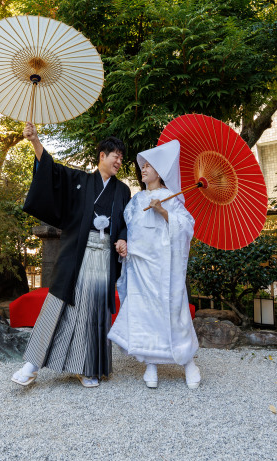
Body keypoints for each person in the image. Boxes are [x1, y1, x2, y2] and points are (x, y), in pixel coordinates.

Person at [11, 122, 131, 388]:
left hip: (103, 259)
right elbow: (52, 173)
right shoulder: (80, 181)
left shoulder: (122, 191)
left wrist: (122, 237)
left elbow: (126, 221)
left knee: (92, 312)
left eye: (122, 158)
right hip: (77, 253)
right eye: (116, 156)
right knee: (57, 305)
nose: (119, 161)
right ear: (102, 155)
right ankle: (31, 365)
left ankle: (86, 368)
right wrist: (35, 141)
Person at [107, 139, 201, 389]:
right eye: (143, 166)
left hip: (164, 269)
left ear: (160, 171)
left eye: (149, 166)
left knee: (174, 314)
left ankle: (188, 362)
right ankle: (151, 364)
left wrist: (164, 211)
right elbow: (126, 226)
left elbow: (186, 227)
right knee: (145, 316)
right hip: (140, 267)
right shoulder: (136, 200)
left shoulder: (171, 197)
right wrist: (123, 242)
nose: (144, 170)